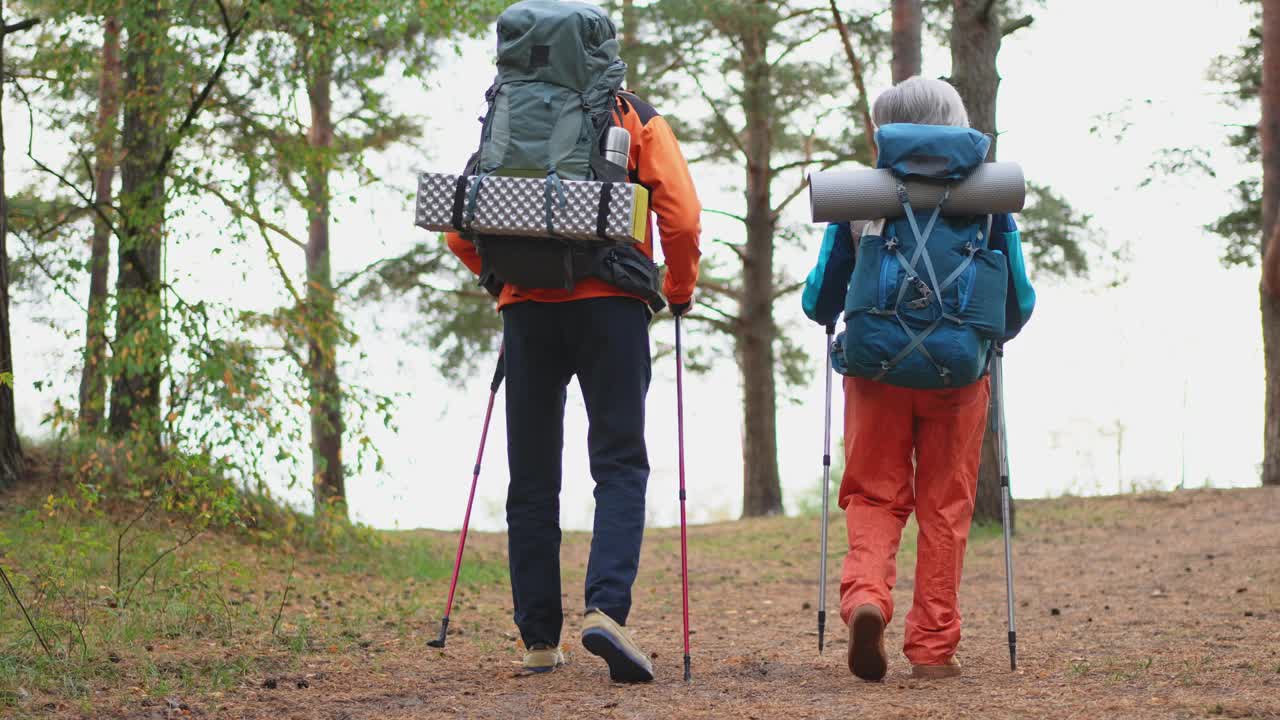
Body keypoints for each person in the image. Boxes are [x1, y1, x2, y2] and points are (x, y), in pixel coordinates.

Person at [445, 3, 701, 683]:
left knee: (531, 475)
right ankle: (605, 612)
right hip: (613, 306)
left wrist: (501, 280)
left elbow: (458, 228)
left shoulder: (504, 115)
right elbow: (680, 212)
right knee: (618, 462)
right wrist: (678, 288)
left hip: (527, 311)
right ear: (600, 50)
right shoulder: (631, 115)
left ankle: (536, 639)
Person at [800, 76, 1035, 681]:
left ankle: (867, 600)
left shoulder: (863, 194)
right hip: (958, 373)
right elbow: (1017, 302)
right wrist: (993, 337)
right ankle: (932, 649)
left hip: (875, 370)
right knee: (946, 506)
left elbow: (821, 296)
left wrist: (832, 313)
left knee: (874, 494)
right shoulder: (986, 199)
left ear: (885, 128)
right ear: (955, 121)